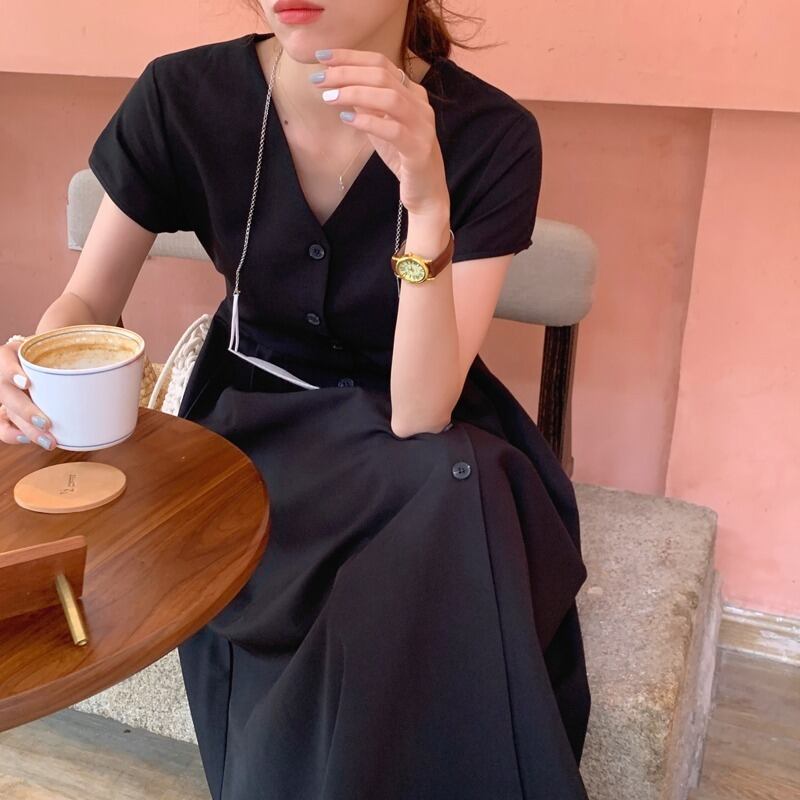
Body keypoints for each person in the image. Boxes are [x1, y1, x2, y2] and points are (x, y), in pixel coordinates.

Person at [0, 1, 592, 797]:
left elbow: (420, 412)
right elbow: (86, 302)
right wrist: (35, 361)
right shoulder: (183, 95)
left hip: (415, 437)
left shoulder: (491, 133)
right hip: (249, 434)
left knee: (460, 490)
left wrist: (427, 204)